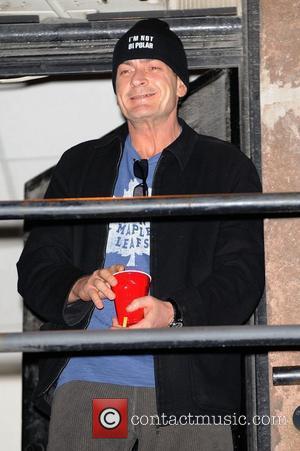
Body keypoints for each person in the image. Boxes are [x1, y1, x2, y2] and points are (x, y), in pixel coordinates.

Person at [17, 18, 264, 451]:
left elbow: (242, 277)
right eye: (126, 70)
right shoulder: (80, 165)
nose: (138, 78)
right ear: (116, 91)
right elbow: (36, 265)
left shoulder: (225, 167)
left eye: (154, 66)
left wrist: (173, 312)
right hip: (91, 380)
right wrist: (78, 285)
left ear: (181, 85)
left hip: (191, 390)